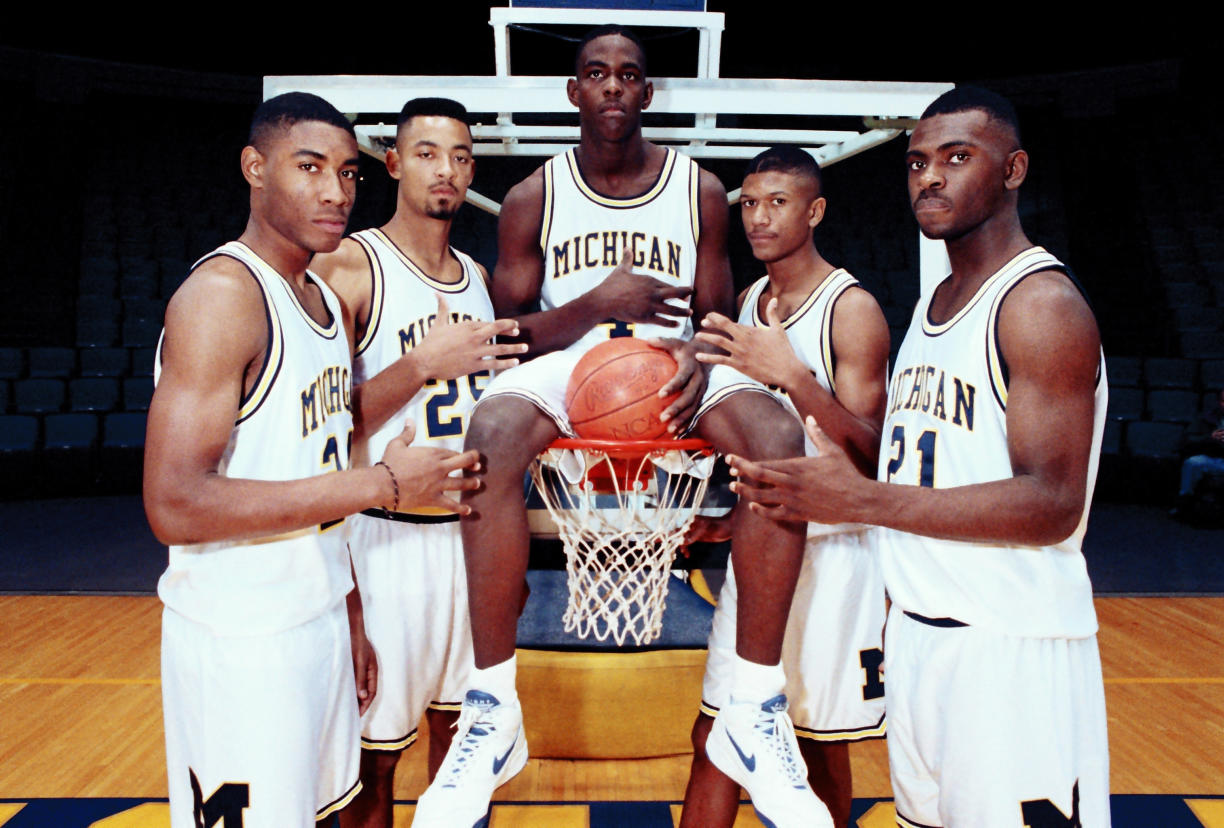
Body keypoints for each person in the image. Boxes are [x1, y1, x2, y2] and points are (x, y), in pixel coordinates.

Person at [413, 26, 829, 828]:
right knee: (491, 431)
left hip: (674, 367)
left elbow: (714, 315)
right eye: (596, 74)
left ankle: (755, 705)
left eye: (628, 76)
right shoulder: (536, 195)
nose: (612, 87)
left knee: (777, 437)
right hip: (573, 367)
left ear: (646, 93)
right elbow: (508, 336)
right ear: (575, 92)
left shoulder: (700, 189)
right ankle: (493, 709)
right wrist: (598, 305)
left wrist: (696, 357)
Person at [726, 87, 1112, 827]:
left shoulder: (1039, 306)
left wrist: (864, 502)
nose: (929, 177)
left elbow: (1054, 503)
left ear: (1014, 169)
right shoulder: (935, 306)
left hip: (1010, 651)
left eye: (957, 158)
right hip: (920, 641)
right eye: (916, 163)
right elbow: (911, 468)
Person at [143, 91, 482, 828]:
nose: (336, 191)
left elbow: (313, 452)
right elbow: (175, 505)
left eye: (348, 173)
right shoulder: (223, 297)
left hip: (319, 618)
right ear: (255, 168)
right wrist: (387, 482)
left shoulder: (317, 302)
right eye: (310, 168)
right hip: (241, 639)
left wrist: (350, 613)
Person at [310, 97, 526, 828]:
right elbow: (315, 427)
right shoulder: (350, 265)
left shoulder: (475, 275)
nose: (448, 169)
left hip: (470, 542)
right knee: (373, 761)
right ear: (395, 163)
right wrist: (417, 365)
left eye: (462, 156)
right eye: (429, 153)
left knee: (467, 746)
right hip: (385, 538)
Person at [679, 146, 890, 828]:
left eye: (778, 202)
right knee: (716, 739)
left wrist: (796, 375)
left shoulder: (849, 308)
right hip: (763, 552)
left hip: (834, 558)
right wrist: (726, 517)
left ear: (815, 210)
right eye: (749, 204)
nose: (759, 217)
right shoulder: (750, 301)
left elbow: (872, 453)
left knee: (816, 752)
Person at [1173, 387, 1224, 520]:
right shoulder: (1205, 417)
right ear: (1219, 401)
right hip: (1210, 457)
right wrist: (1210, 437)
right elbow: (1188, 439)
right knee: (1192, 463)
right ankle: (1184, 503)